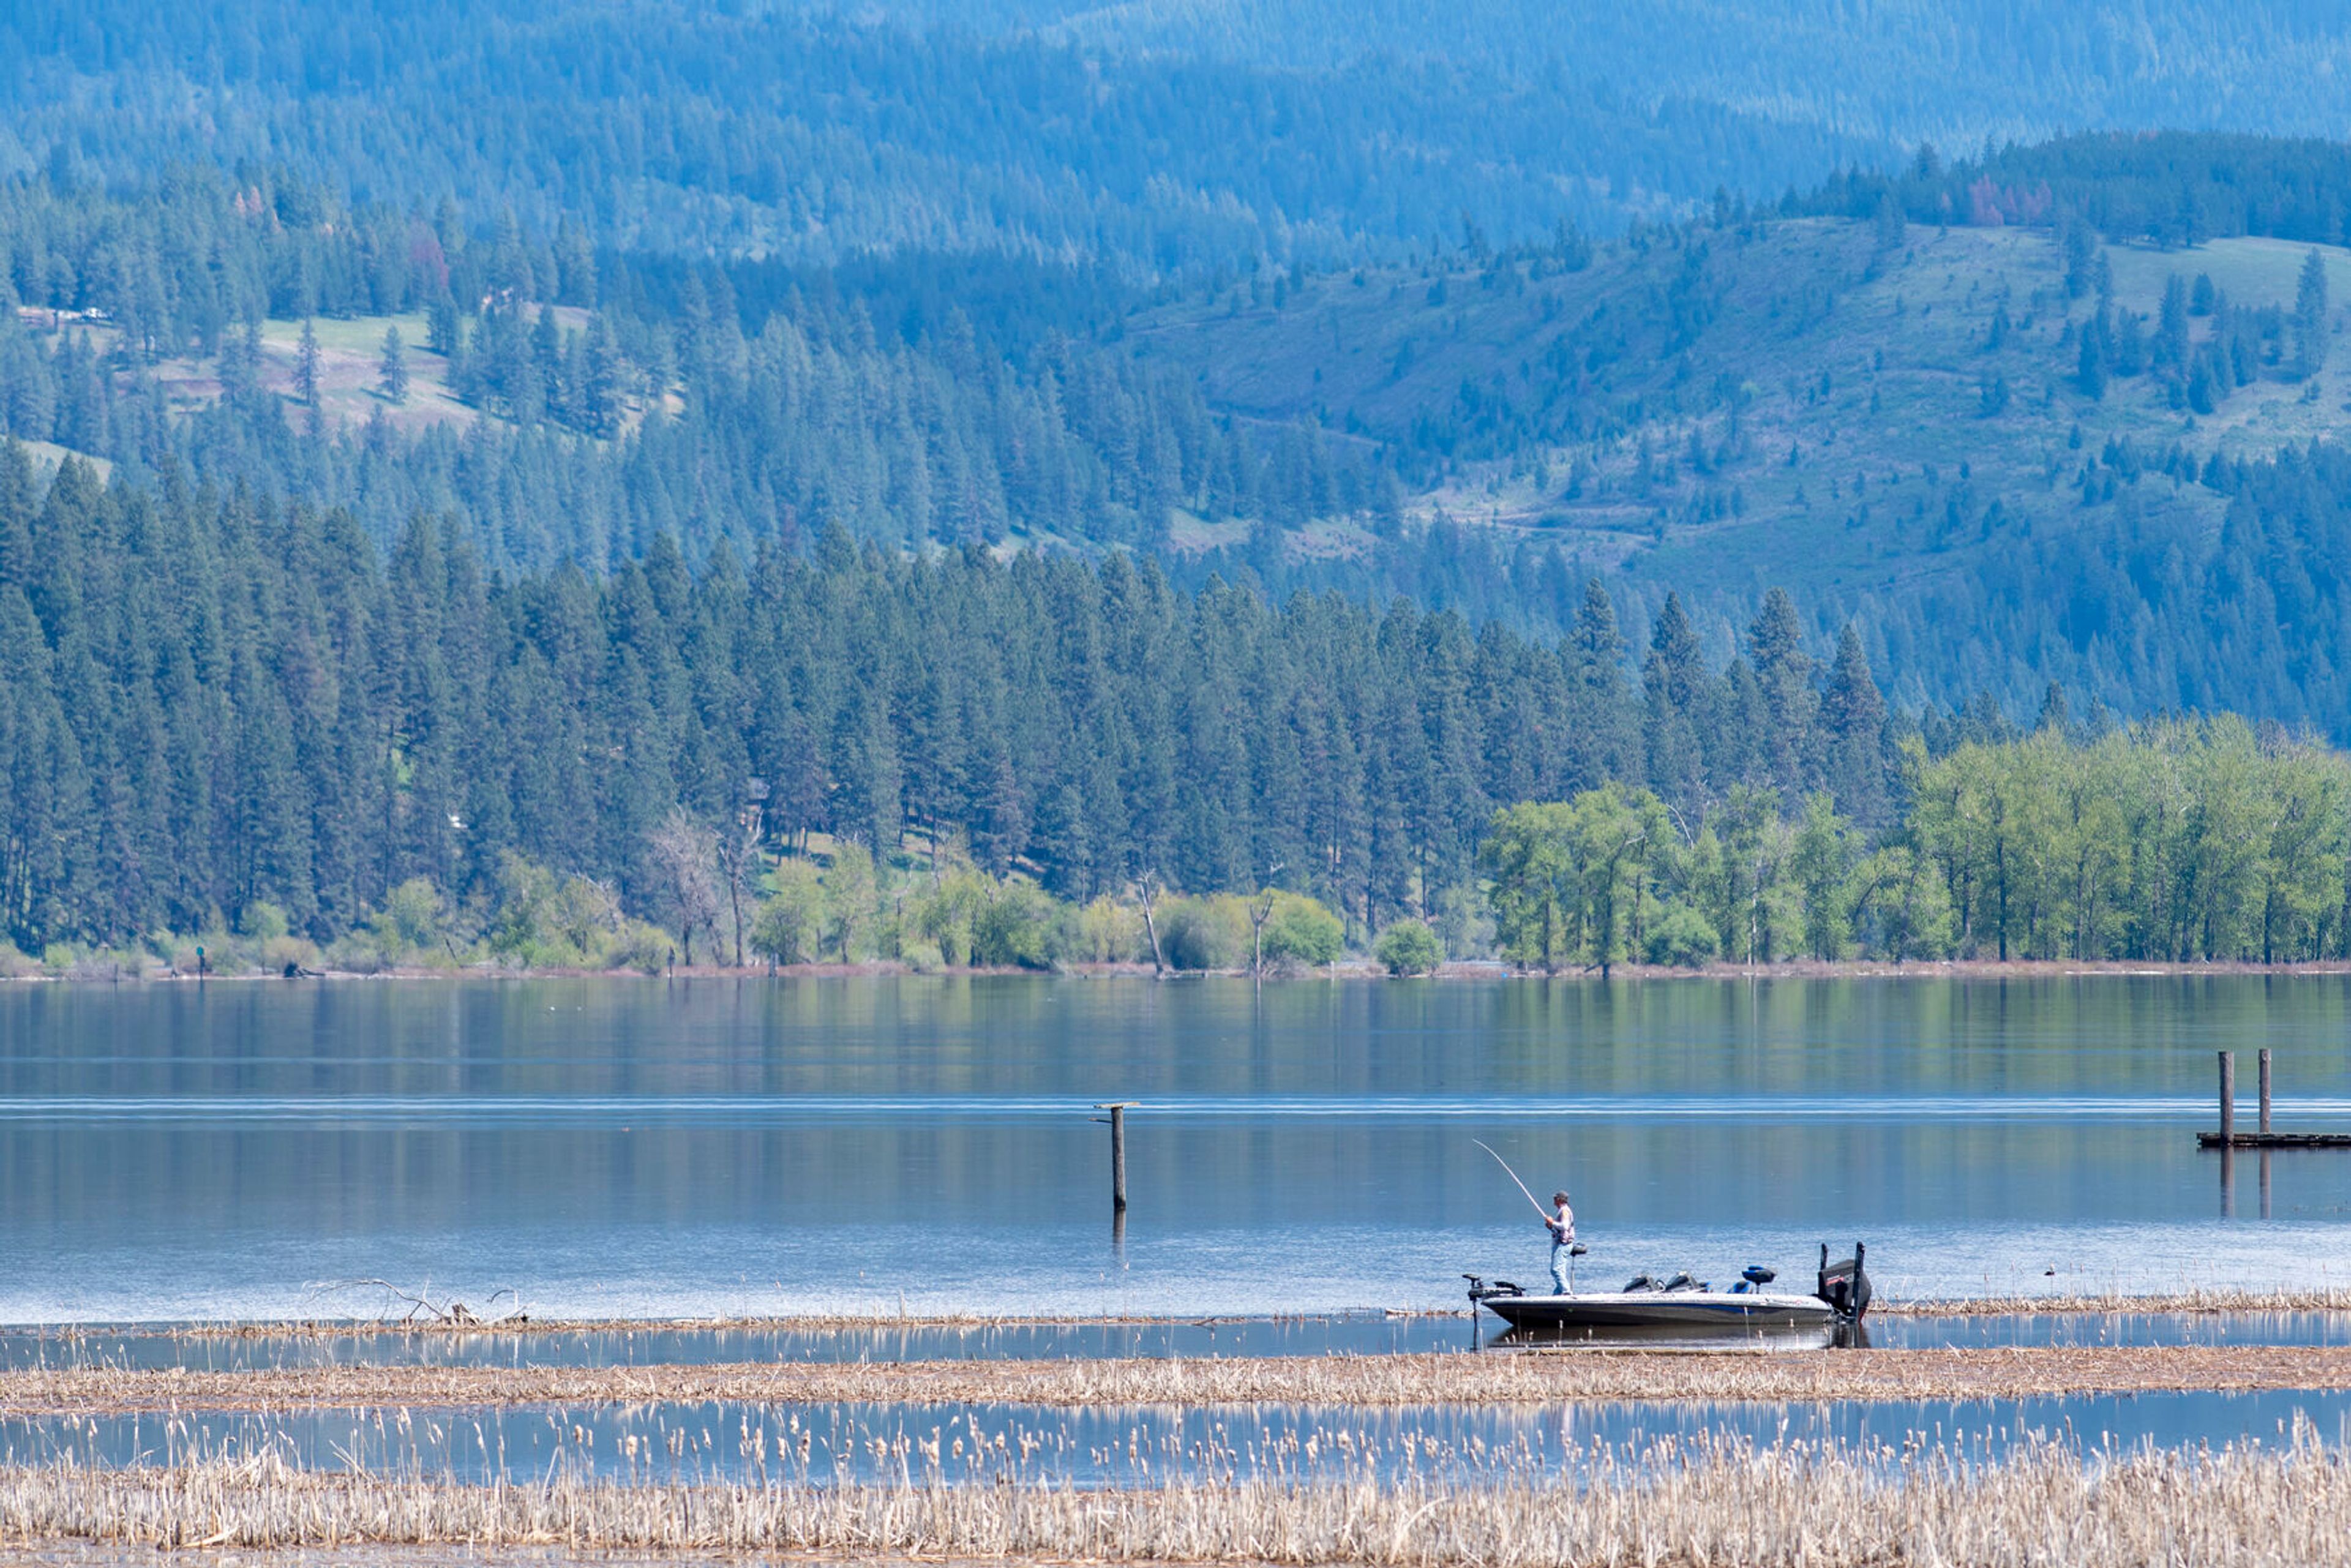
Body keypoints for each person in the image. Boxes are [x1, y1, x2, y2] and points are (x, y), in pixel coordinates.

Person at [1546, 1190, 1577, 1294]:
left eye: (1555, 1198)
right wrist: (1551, 1226)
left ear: (1559, 1200)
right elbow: (1559, 1229)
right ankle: (1557, 1295)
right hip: (1563, 1244)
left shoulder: (1564, 1211)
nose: (1553, 1200)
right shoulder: (1563, 1210)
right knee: (1561, 1271)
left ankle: (1567, 1292)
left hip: (1563, 1245)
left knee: (1555, 1270)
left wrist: (1552, 1222)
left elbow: (1565, 1226)